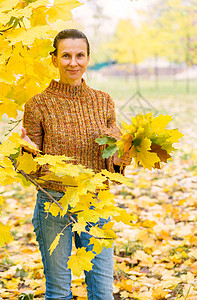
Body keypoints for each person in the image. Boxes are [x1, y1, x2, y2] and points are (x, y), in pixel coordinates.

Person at [21, 29, 131, 300]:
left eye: (79, 55)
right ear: (54, 59)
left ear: (88, 58)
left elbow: (111, 159)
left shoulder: (103, 101)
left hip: (96, 203)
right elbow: (29, 169)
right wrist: (24, 153)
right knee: (58, 292)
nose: (73, 62)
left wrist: (120, 159)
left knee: (102, 292)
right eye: (66, 55)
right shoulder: (37, 105)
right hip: (53, 204)